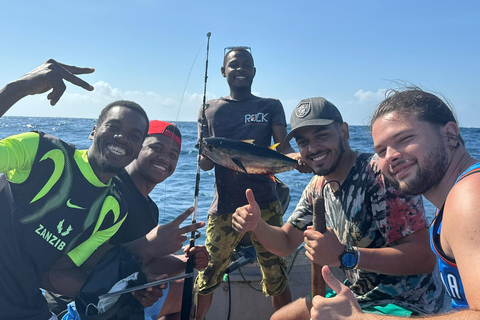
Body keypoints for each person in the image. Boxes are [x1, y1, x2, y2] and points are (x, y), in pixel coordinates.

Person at [0, 59, 202, 320]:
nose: (121, 137)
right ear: (94, 131)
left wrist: (126, 289)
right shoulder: (41, 150)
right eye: (114, 127)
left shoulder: (113, 209)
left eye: (134, 136)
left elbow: (55, 274)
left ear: (138, 147)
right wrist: (18, 88)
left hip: (27, 308)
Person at [233, 97, 445, 319]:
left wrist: (345, 255)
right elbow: (286, 242)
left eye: (322, 135)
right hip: (356, 296)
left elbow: (424, 258)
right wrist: (257, 225)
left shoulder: (379, 175)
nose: (312, 148)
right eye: (303, 142)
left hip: (409, 305)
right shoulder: (318, 186)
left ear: (344, 131)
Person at [309, 88, 480, 319]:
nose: (390, 156)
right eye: (381, 150)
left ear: (450, 134)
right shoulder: (451, 201)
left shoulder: (470, 195)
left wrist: (360, 318)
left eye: (404, 139)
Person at [46, 120, 209, 319]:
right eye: (156, 148)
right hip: (77, 303)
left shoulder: (150, 207)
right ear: (137, 148)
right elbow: (80, 260)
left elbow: (144, 263)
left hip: (117, 297)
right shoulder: (112, 188)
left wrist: (188, 261)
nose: (165, 158)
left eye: (173, 155)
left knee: (197, 289)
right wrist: (148, 245)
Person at [195, 46, 297, 319]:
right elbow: (205, 164)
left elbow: (284, 151)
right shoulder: (208, 109)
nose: (240, 69)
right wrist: (205, 152)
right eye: (233, 64)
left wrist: (300, 159)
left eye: (246, 64)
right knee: (208, 274)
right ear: (223, 71)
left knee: (276, 273)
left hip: (265, 204)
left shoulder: (270, 106)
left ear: (254, 71)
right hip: (224, 207)